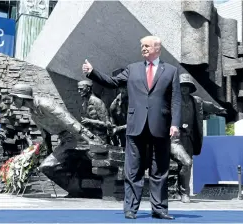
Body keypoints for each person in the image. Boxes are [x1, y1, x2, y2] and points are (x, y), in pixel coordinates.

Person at [82, 35, 181, 220]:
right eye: (141, 46)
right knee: (133, 169)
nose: (143, 48)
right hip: (136, 126)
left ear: (157, 48)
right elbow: (112, 82)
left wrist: (175, 124)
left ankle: (159, 209)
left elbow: (176, 100)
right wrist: (92, 72)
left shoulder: (171, 71)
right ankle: (130, 209)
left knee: (159, 170)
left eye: (146, 46)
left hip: (160, 126)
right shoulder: (132, 69)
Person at [9, 83, 104, 197]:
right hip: (65, 141)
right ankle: (77, 191)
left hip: (76, 138)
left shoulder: (45, 104)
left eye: (14, 98)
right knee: (46, 167)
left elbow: (69, 121)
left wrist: (90, 139)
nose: (12, 101)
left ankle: (80, 191)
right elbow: (45, 134)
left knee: (51, 166)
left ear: (21, 97)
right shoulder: (33, 113)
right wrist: (47, 152)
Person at [172, 73, 226, 203]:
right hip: (174, 139)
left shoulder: (196, 101)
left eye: (187, 86)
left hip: (189, 138)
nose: (184, 88)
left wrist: (221, 110)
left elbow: (210, 106)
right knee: (187, 162)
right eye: (182, 86)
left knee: (184, 165)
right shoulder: (172, 101)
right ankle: (185, 193)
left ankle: (180, 192)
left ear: (191, 88)